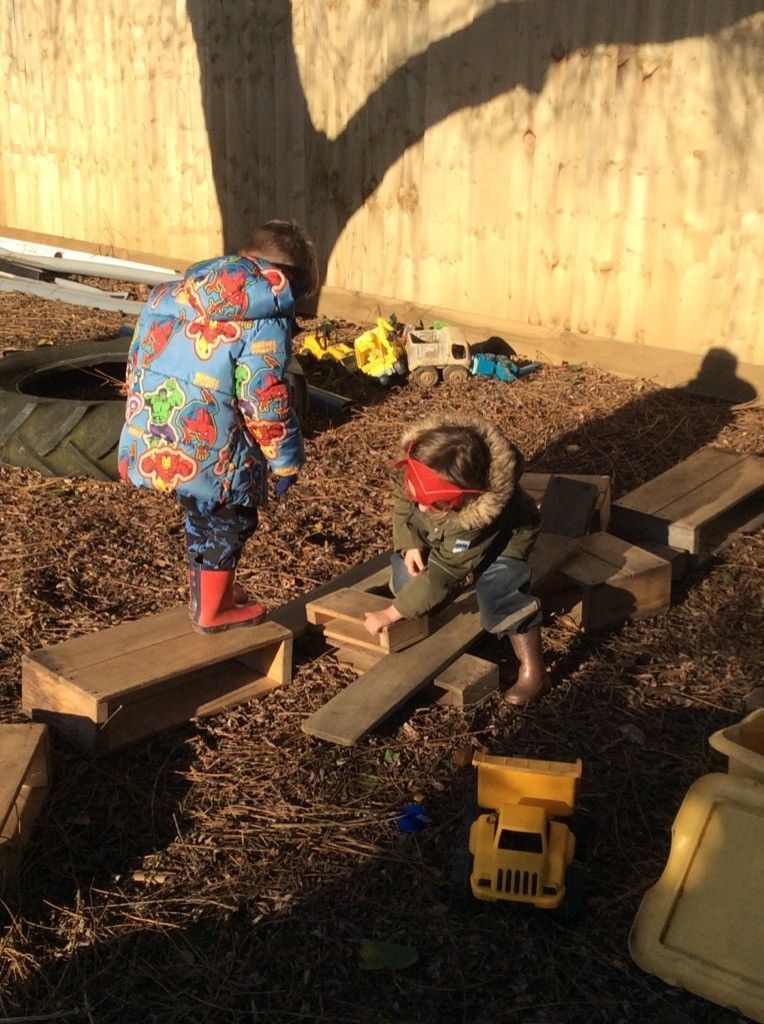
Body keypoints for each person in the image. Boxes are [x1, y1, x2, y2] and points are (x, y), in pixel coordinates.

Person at [118, 220, 318, 633]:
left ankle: (209, 594)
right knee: (231, 522)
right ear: (284, 280)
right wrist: (285, 459)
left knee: (200, 514)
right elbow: (263, 397)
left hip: (162, 435)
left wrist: (142, 423)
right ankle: (212, 612)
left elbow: (136, 360)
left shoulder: (168, 293)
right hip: (219, 448)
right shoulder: (265, 319)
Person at [363, 414, 551, 704]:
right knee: (407, 581)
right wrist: (410, 543)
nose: (422, 507)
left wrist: (390, 614)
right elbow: (404, 499)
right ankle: (426, 600)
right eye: (418, 498)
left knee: (496, 589)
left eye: (435, 503)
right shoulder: (422, 463)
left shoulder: (476, 516)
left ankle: (534, 672)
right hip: (443, 534)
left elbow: (444, 571)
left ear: (465, 498)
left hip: (503, 540)